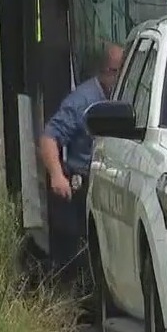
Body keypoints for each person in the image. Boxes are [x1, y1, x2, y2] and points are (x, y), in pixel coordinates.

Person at [39, 43, 124, 303]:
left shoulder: (130, 95)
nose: (120, 78)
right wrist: (57, 175)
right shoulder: (84, 101)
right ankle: (76, 304)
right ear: (104, 71)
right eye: (115, 72)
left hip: (115, 182)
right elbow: (49, 138)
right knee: (78, 253)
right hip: (84, 183)